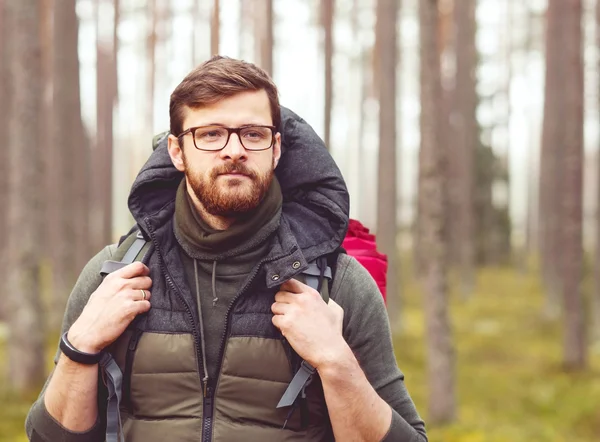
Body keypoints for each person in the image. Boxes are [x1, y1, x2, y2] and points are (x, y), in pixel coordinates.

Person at [25, 56, 427, 442]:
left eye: (253, 134)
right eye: (210, 134)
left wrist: (336, 363)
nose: (234, 150)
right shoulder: (111, 275)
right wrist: (80, 347)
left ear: (276, 148)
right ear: (177, 152)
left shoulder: (337, 285)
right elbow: (48, 437)